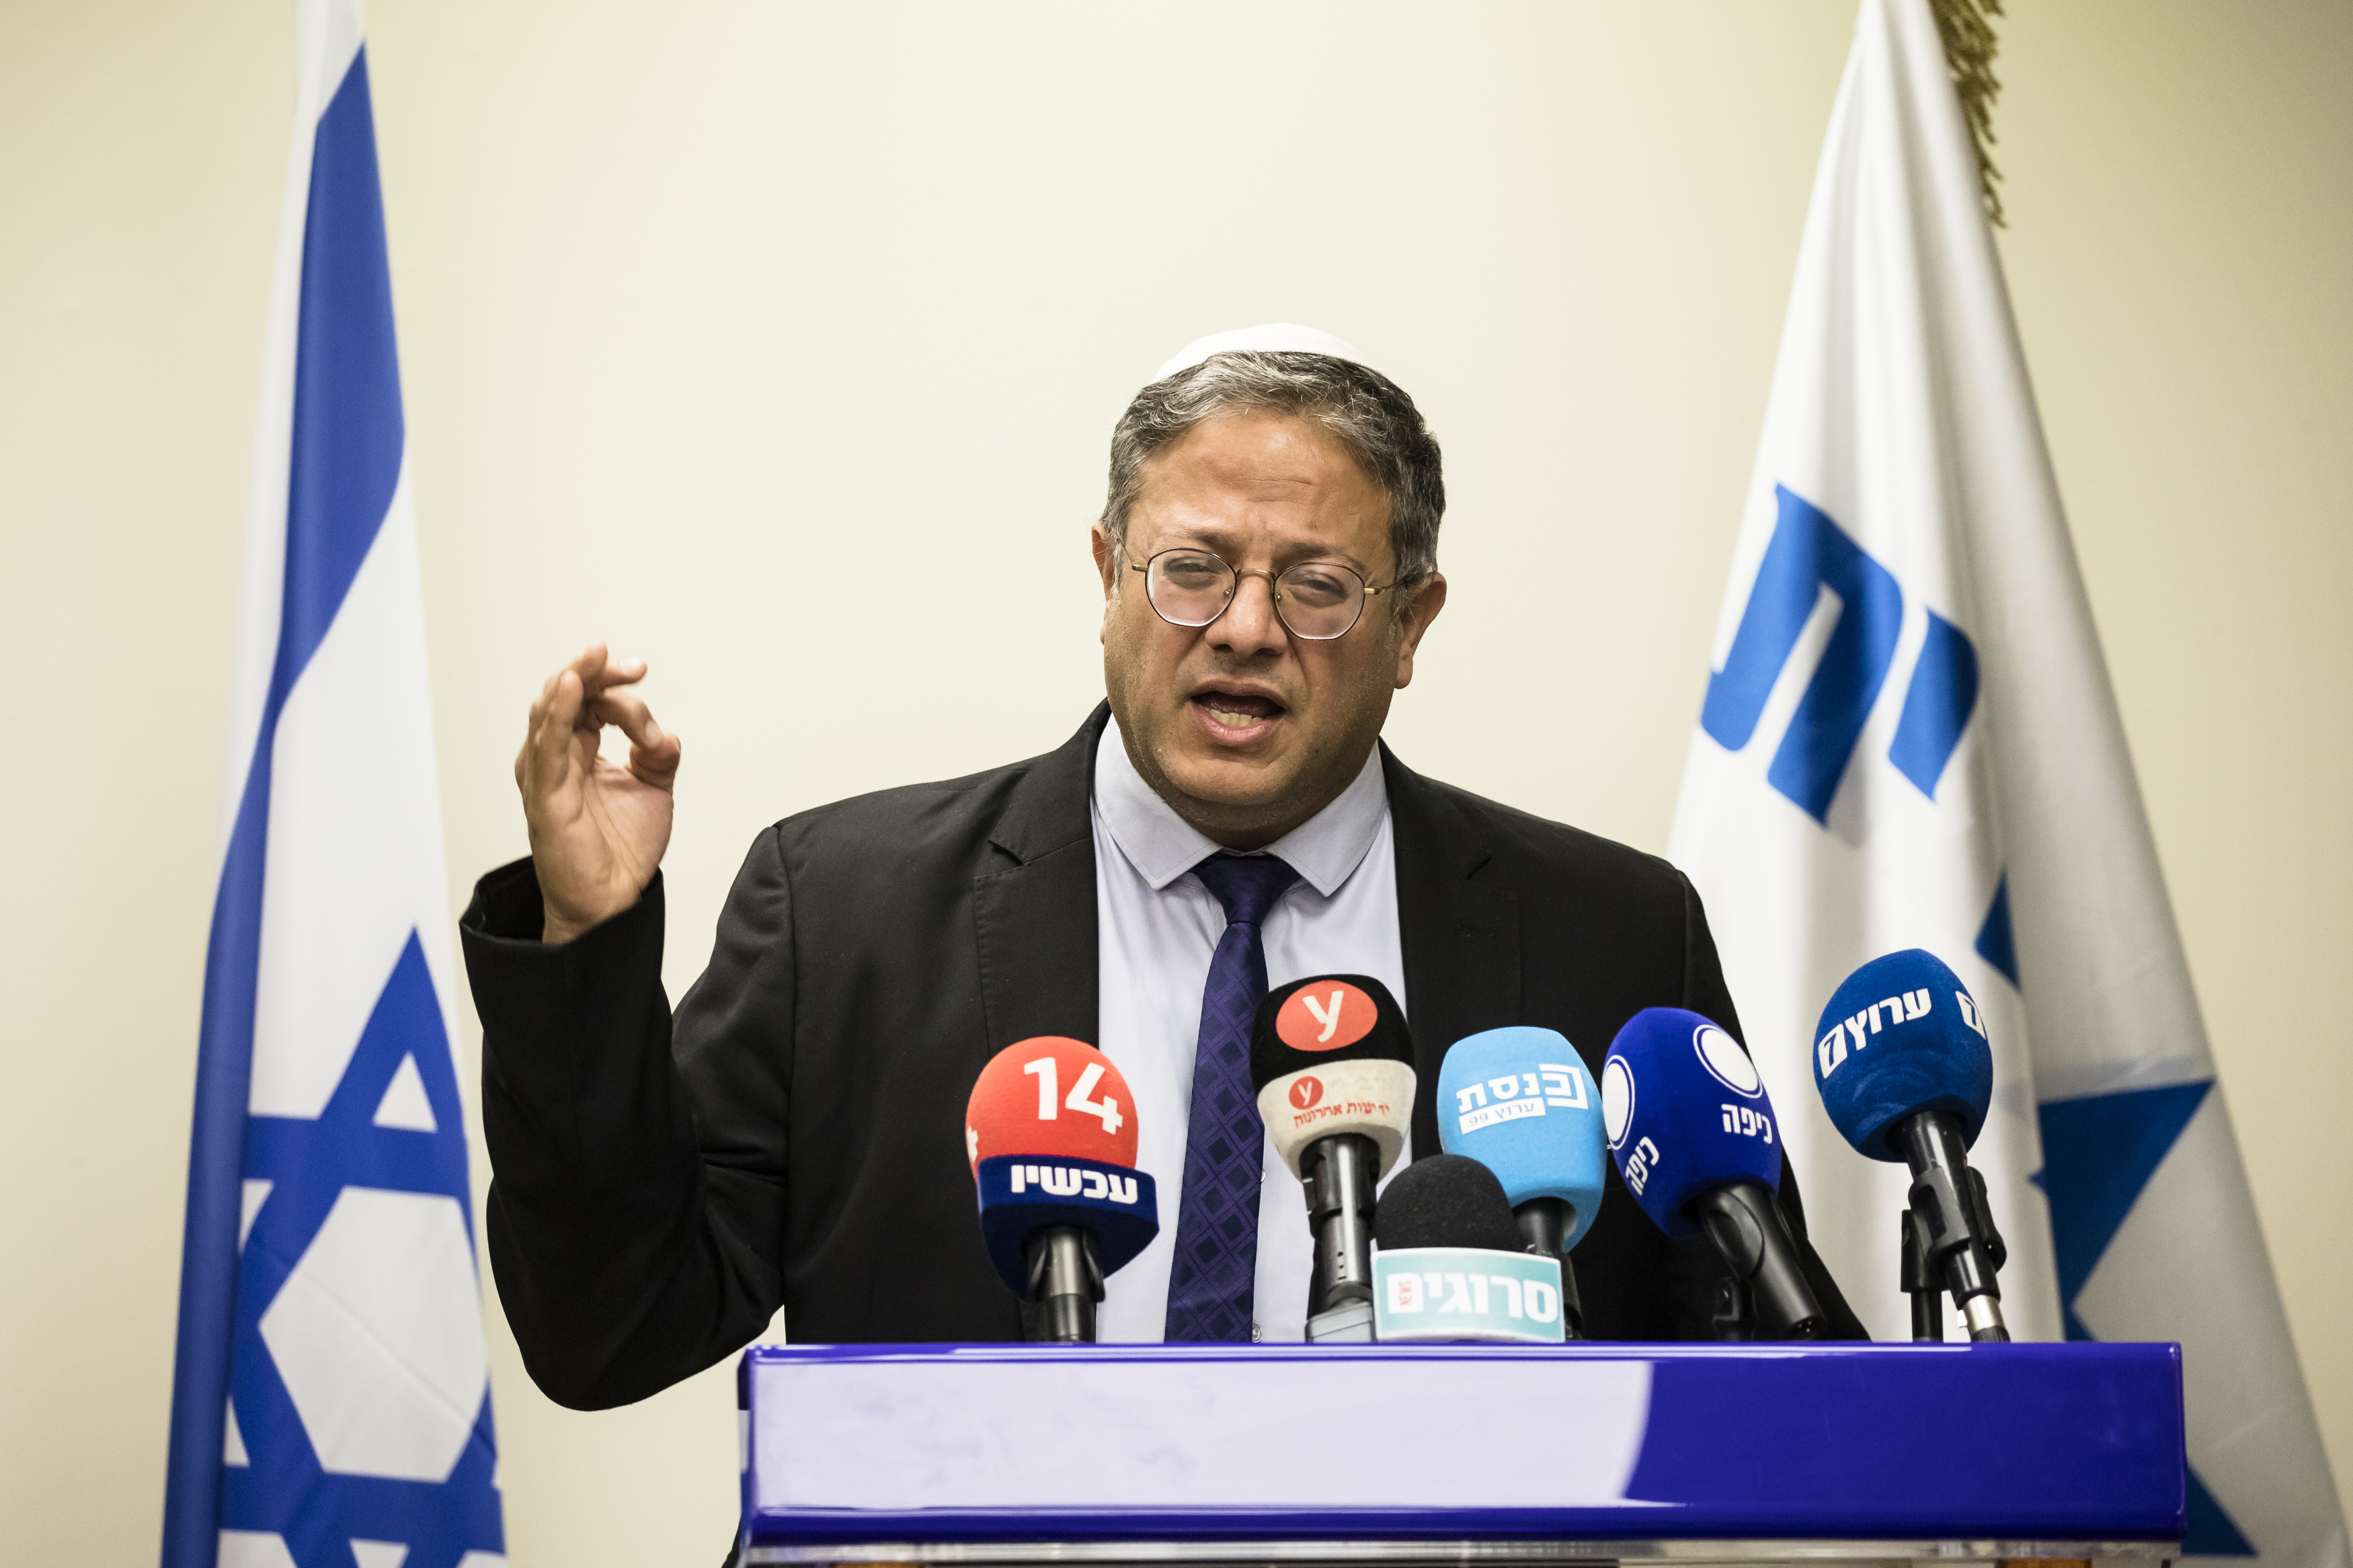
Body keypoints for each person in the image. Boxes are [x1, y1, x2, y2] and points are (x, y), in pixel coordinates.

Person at [461, 325, 1864, 1411]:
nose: (1244, 627)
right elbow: (607, 1332)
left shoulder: (1612, 938)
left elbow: (1776, 1388)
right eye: (1191, 569)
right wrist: (586, 939)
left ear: (1411, 625)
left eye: (1317, 585)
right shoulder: (843, 909)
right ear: (1106, 576)